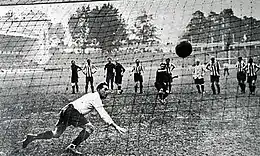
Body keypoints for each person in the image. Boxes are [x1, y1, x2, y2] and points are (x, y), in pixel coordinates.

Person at [22, 82, 127, 155]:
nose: (107, 91)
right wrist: (115, 126)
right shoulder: (96, 97)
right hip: (73, 112)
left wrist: (64, 111)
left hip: (67, 110)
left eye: (108, 89)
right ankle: (72, 147)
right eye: (105, 89)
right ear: (98, 90)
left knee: (56, 134)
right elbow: (103, 114)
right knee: (90, 128)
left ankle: (33, 137)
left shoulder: (91, 95)